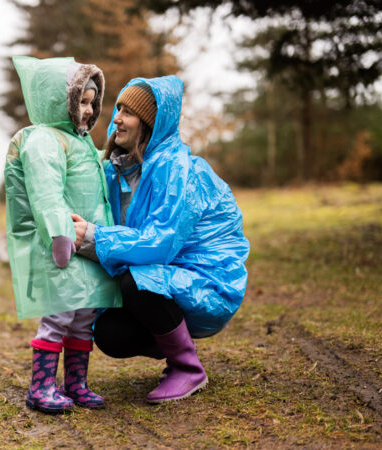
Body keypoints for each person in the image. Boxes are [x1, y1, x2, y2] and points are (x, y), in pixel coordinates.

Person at [72, 75, 250, 403]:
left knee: (134, 281)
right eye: (118, 108)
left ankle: (187, 368)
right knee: (110, 332)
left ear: (150, 123)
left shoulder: (180, 171)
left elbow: (160, 242)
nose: (117, 118)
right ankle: (170, 337)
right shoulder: (117, 169)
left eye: (129, 112)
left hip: (209, 279)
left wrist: (95, 238)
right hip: (166, 275)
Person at [4, 56, 121, 414]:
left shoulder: (78, 140)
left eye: (91, 102)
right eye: (81, 102)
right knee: (59, 315)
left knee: (84, 314)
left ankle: (76, 384)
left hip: (86, 245)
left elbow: (86, 174)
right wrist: (58, 233)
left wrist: (109, 153)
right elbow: (45, 190)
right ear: (61, 100)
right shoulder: (44, 139)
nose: (88, 111)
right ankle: (40, 387)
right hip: (64, 244)